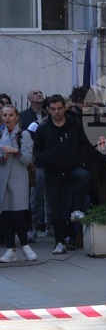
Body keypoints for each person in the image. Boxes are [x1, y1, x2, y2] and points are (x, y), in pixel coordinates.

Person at [31, 94, 92, 255]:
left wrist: (78, 158)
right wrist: (46, 160)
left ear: (65, 108)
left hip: (72, 169)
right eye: (53, 109)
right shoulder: (43, 129)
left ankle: (78, 210)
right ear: (48, 110)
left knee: (84, 176)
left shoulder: (75, 125)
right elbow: (37, 150)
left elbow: (85, 144)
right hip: (53, 173)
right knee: (56, 209)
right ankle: (59, 241)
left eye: (59, 108)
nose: (57, 112)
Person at [0, 104, 37, 263]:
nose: (7, 118)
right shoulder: (0, 134)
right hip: (2, 179)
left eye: (10, 115)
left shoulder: (24, 135)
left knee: (18, 215)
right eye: (5, 115)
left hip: (18, 179)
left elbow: (28, 159)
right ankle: (11, 249)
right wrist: (3, 158)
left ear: (16, 117)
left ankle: (25, 246)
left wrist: (16, 152)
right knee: (5, 216)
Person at [19, 87, 48, 238]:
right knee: (35, 194)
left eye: (40, 92)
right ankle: (33, 224)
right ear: (29, 99)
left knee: (49, 194)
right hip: (32, 159)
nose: (39, 94)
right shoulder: (23, 116)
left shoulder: (48, 113)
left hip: (47, 157)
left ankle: (49, 224)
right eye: (35, 93)